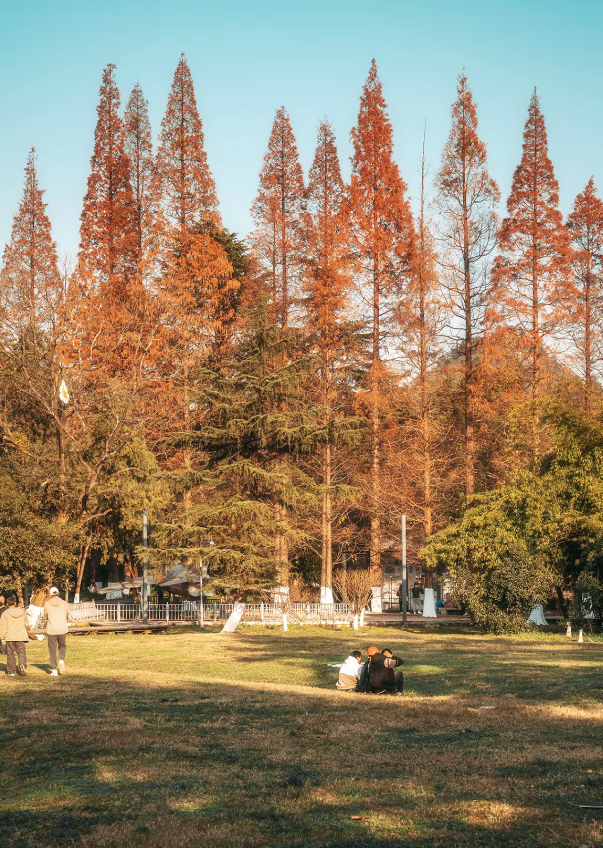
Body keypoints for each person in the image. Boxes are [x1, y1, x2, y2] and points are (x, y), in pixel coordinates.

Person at [0, 598, 31, 676]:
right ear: (15, 603)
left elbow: (3, 626)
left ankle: (11, 671)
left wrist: (2, 637)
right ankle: (22, 666)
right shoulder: (22, 612)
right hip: (21, 636)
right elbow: (27, 623)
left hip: (9, 636)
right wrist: (28, 631)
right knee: (21, 653)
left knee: (10, 654)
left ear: (7, 604)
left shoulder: (5, 613)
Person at [44, 587, 69, 676]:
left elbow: (45, 615)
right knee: (62, 646)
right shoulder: (65, 603)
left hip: (52, 629)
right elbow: (66, 614)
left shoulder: (47, 604)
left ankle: (54, 669)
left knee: (52, 649)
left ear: (50, 594)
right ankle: (61, 660)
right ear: (58, 593)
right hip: (62, 628)